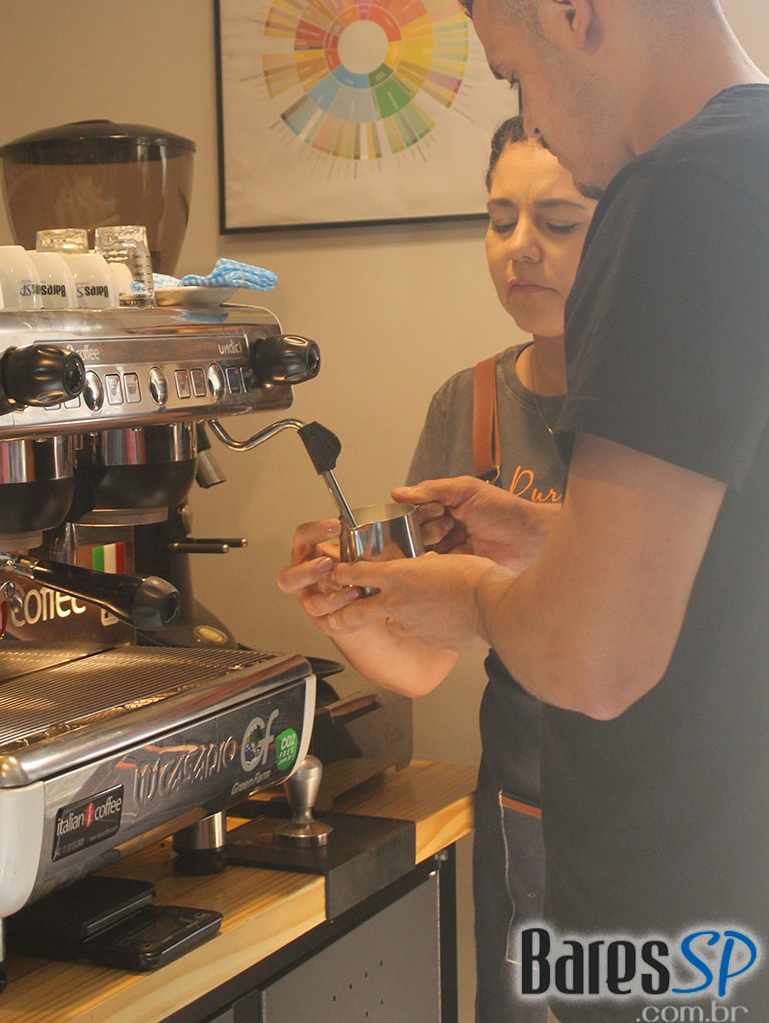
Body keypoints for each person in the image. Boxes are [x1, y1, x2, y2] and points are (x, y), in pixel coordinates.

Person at [278, 0, 769, 1023]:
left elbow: (596, 660)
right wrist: (539, 536)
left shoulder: (678, 192)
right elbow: (731, 556)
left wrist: (462, 596)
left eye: (514, 75)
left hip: (680, 915)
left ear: (566, 9)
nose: (531, 116)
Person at [282, 115, 594, 1023]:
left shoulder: (670, 397)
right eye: (500, 220)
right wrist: (350, 605)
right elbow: (424, 664)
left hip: (667, 804)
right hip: (527, 814)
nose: (520, 247)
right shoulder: (473, 404)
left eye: (558, 222)